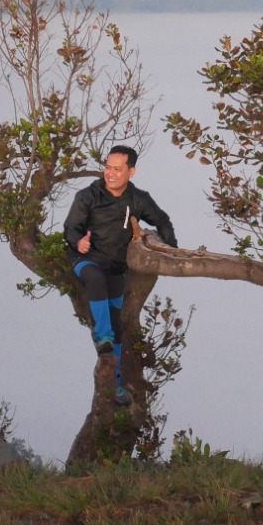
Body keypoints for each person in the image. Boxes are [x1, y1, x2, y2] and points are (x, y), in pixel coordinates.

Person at [63, 146, 176, 406]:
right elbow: (71, 228)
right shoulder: (88, 196)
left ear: (130, 171)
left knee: (117, 325)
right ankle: (100, 337)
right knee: (95, 281)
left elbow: (162, 221)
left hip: (116, 267)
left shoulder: (138, 199)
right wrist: (78, 241)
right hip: (86, 260)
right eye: (107, 167)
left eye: (117, 169)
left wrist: (171, 252)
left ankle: (115, 385)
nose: (110, 173)